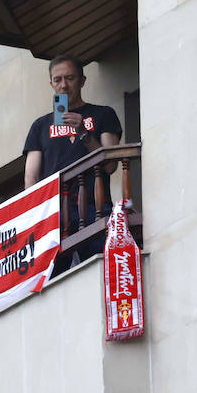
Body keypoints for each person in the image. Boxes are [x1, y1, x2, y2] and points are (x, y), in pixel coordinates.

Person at [23, 55, 122, 266]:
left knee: (102, 267)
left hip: (94, 207)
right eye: (57, 80)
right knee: (52, 281)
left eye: (70, 78)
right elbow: (30, 179)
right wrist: (36, 217)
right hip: (54, 214)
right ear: (51, 83)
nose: (63, 85)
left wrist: (84, 133)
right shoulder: (40, 126)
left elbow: (111, 165)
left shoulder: (102, 114)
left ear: (82, 80)